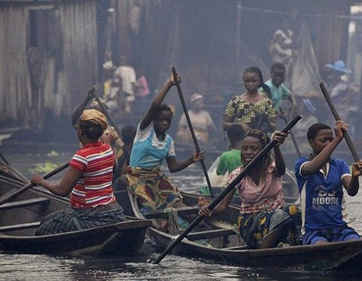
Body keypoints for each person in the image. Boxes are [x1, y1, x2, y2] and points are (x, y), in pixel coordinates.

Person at [126, 74, 204, 233]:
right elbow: (155, 105)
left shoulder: (168, 141)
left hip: (156, 177)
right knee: (147, 201)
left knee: (176, 200)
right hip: (136, 176)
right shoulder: (144, 130)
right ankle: (158, 226)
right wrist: (169, 84)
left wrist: (191, 159)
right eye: (161, 120)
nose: (164, 123)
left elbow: (173, 167)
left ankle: (195, 220)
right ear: (154, 120)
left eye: (168, 121)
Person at [198, 129, 301, 248]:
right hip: (251, 224)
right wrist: (207, 209)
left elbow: (281, 170)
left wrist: (276, 146)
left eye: (253, 149)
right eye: (244, 148)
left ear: (264, 151)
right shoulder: (238, 175)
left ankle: (299, 245)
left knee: (294, 211)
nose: (247, 152)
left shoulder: (272, 169)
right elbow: (222, 206)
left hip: (276, 219)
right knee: (279, 216)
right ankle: (264, 254)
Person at [31, 109, 125, 235]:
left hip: (88, 215)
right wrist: (111, 145)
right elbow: (115, 167)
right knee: (45, 221)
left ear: (80, 131)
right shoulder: (107, 149)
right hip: (113, 210)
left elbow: (62, 191)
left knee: (42, 231)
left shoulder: (81, 157)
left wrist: (41, 181)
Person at [295, 122, 362, 245]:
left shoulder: (339, 165)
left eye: (331, 140)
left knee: (354, 243)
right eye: (324, 140)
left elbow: (351, 190)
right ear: (311, 143)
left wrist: (355, 177)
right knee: (321, 246)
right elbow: (310, 169)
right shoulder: (302, 164)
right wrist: (337, 139)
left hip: (340, 228)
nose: (328, 144)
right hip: (314, 230)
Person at [223, 67, 277, 135]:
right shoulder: (236, 101)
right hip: (240, 141)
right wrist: (240, 125)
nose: (250, 84)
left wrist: (266, 121)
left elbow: (274, 127)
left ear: (260, 81)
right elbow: (225, 124)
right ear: (243, 81)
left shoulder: (267, 102)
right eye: (247, 81)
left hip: (260, 142)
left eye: (254, 81)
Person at [326, 60, 358, 126]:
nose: (333, 74)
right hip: (332, 110)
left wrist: (345, 100)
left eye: (336, 73)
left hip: (340, 110)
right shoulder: (332, 84)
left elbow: (355, 90)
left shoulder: (343, 84)